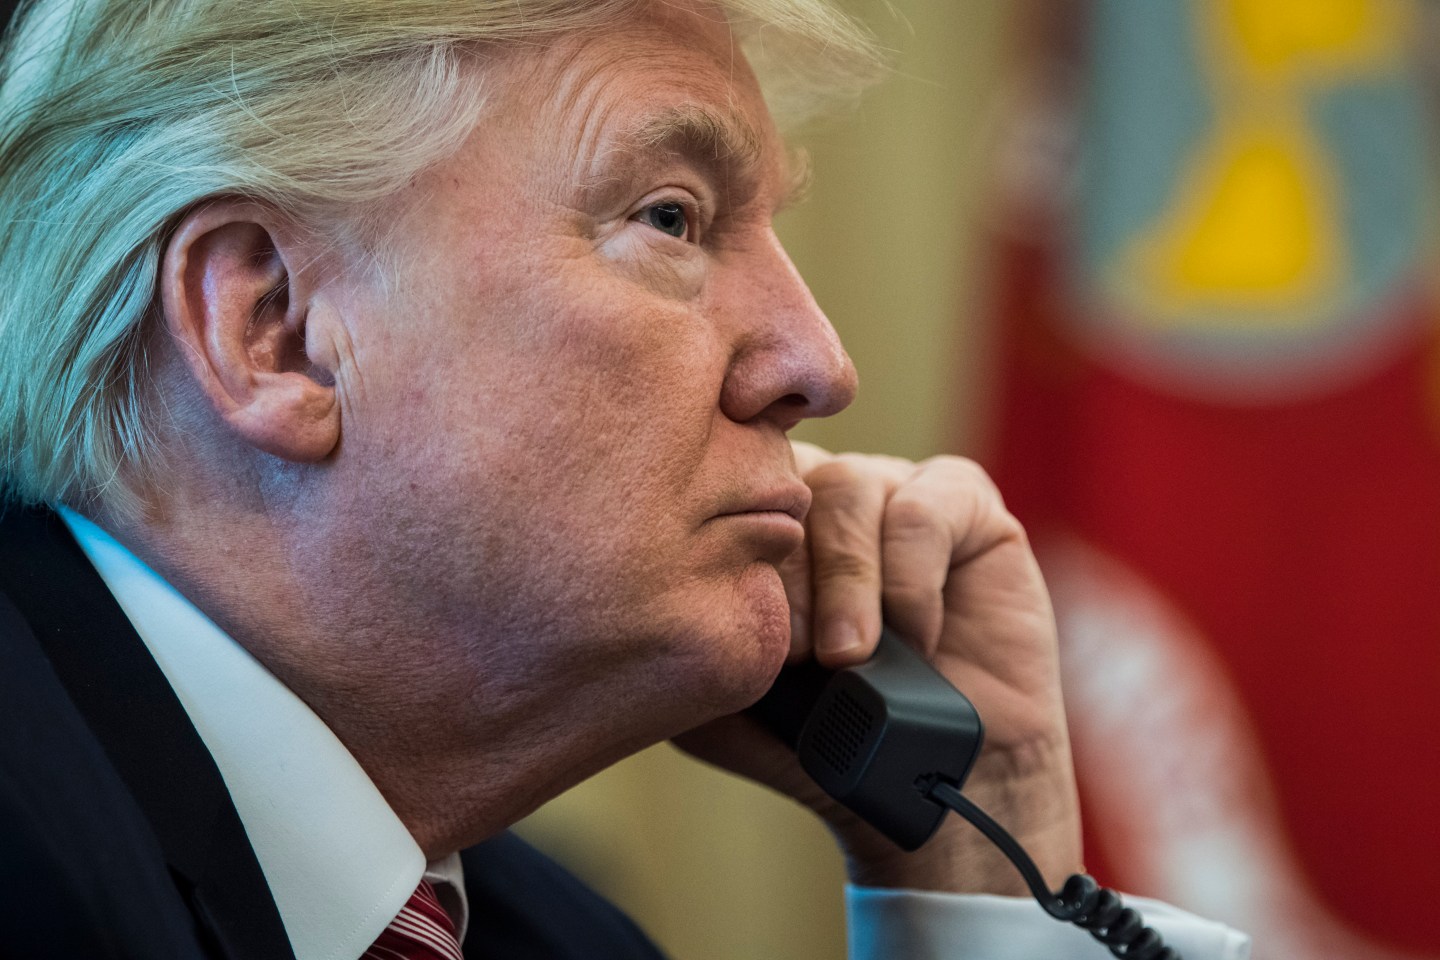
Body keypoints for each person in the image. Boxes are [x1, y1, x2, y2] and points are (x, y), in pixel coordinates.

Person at [0, 0, 1250, 957]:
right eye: (671, 218)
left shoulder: (563, 938)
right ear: (274, 327)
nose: (818, 365)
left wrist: (981, 865)